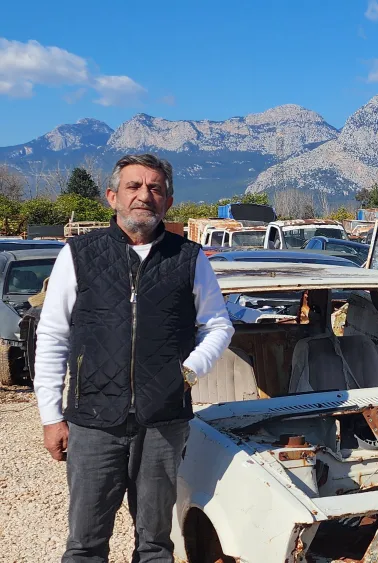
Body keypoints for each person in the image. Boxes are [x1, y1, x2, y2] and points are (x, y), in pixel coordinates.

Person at [33, 154, 235, 562]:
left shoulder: (190, 258)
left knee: (156, 543)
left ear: (168, 202)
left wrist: (189, 372)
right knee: (85, 544)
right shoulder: (78, 254)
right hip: (93, 422)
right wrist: (51, 415)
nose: (145, 195)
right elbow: (52, 336)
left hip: (163, 423)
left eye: (155, 188)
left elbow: (219, 325)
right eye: (134, 186)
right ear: (113, 197)